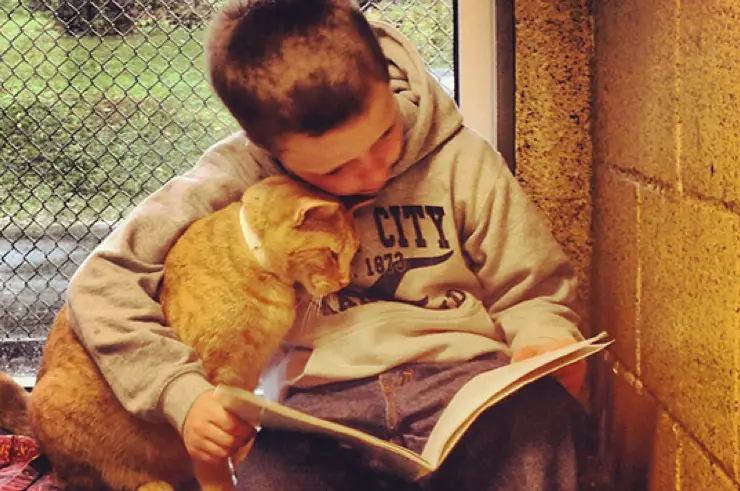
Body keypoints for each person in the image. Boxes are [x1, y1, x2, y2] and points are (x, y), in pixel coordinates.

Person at [66, 0, 589, 489]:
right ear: (267, 150)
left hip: (464, 385)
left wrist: (544, 336)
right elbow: (99, 287)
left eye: (385, 135)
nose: (373, 171)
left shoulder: (462, 159)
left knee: (544, 429)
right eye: (334, 168)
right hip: (318, 410)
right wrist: (182, 394)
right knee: (268, 476)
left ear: (387, 80)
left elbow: (533, 288)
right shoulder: (239, 178)